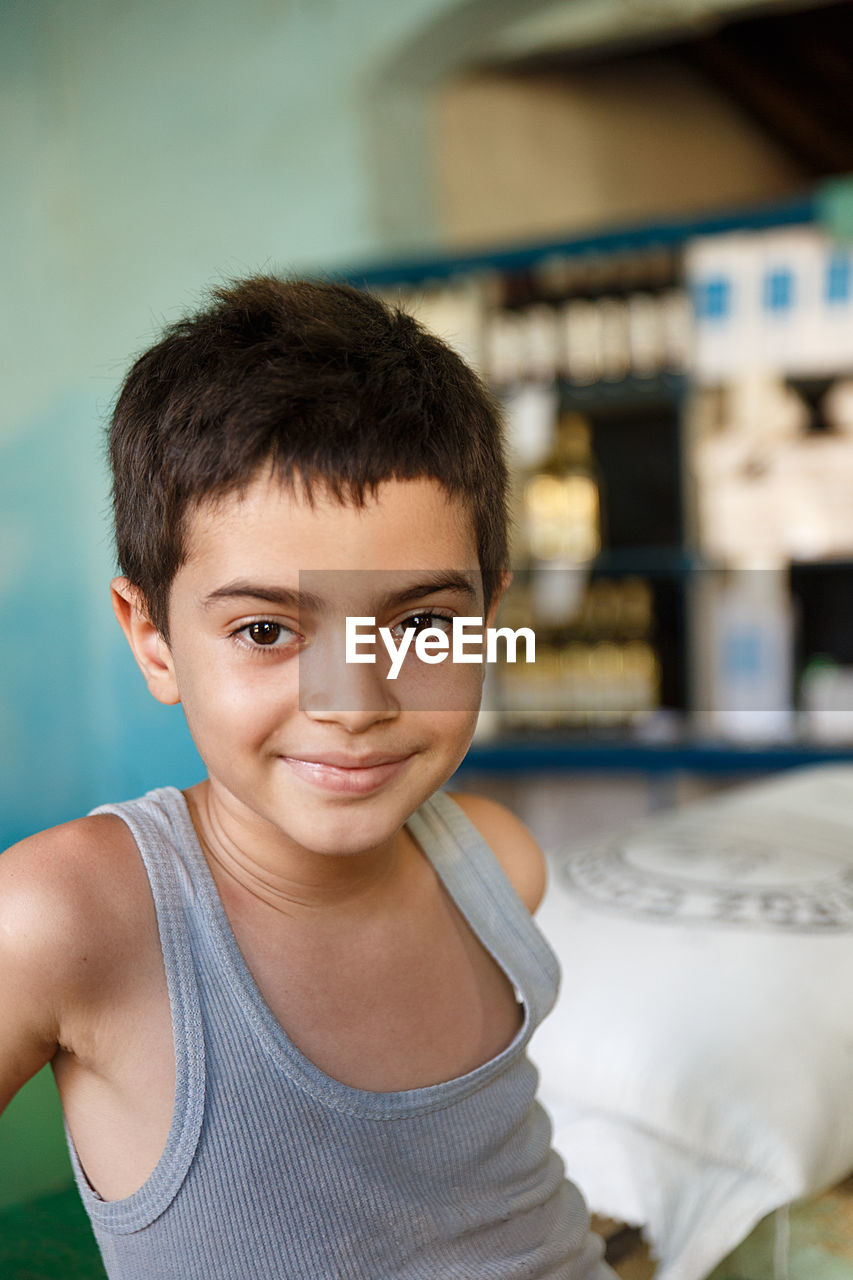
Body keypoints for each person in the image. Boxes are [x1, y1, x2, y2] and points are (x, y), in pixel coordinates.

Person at [0, 277, 614, 1279]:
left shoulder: (498, 867)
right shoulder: (67, 917)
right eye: (266, 629)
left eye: (419, 623)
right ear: (152, 639)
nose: (352, 699)